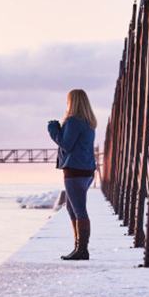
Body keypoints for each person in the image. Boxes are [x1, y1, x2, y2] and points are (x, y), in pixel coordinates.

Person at [47, 89, 97, 261]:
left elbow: (66, 144)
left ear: (72, 102)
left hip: (74, 171)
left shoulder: (74, 121)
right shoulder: (88, 122)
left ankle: (81, 250)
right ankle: (79, 247)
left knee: (79, 210)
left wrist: (53, 129)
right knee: (71, 207)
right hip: (87, 171)